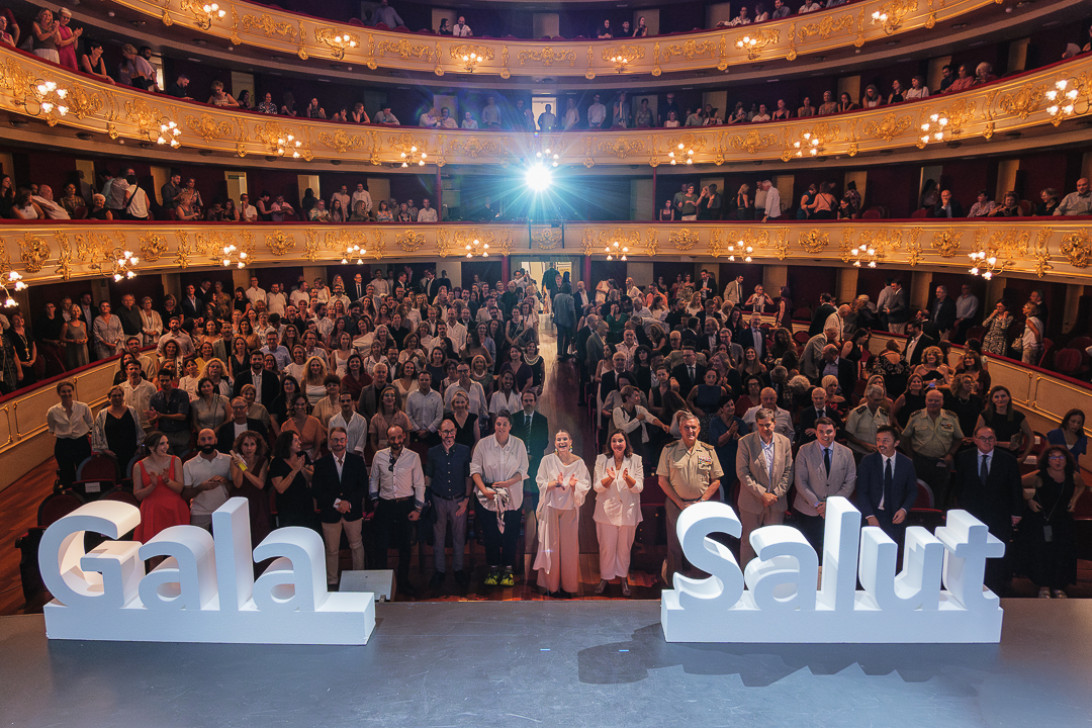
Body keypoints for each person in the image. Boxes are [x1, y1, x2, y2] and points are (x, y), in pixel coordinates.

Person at [952, 426, 1022, 595]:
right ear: (975, 440)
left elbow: (1016, 488)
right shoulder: (963, 457)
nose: (987, 442)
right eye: (983, 438)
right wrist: (955, 511)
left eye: (990, 438)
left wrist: (1017, 512)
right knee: (971, 552)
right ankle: (968, 587)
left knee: (995, 554)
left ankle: (993, 589)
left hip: (999, 514)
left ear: (995, 440)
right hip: (971, 514)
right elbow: (957, 487)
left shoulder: (1008, 460)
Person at [658, 414, 723, 581]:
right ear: (680, 429)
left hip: (700, 505)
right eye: (686, 427)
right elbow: (662, 481)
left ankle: (698, 580)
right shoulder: (669, 450)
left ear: (699, 429)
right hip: (675, 504)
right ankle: (674, 583)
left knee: (699, 543)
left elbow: (716, 481)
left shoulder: (708, 451)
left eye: (693, 427)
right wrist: (679, 503)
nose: (690, 430)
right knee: (674, 546)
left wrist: (701, 501)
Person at [471, 411, 529, 588]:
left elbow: (523, 470)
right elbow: (474, 470)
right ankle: (494, 568)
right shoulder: (483, 444)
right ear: (494, 425)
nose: (501, 427)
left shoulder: (518, 444)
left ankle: (508, 570)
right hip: (488, 496)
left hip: (512, 495)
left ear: (510, 426)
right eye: (498, 424)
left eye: (504, 424)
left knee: (510, 535)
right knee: (491, 535)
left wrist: (507, 483)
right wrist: (484, 490)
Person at [1022, 446, 1086, 598]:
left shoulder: (1073, 475)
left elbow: (1082, 486)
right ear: (1047, 460)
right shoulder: (1039, 475)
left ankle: (1059, 586)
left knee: (1062, 552)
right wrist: (1029, 501)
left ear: (1066, 460)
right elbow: (1017, 483)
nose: (1057, 461)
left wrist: (1074, 500)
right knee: (1043, 553)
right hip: (1043, 519)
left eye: (1061, 457)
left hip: (1063, 520)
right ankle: (1044, 586)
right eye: (1053, 457)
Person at [534, 430, 590, 597]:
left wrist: (573, 486)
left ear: (570, 441)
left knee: (569, 549)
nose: (562, 441)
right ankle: (551, 586)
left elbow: (585, 485)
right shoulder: (547, 460)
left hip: (570, 510)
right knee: (550, 547)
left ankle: (568, 587)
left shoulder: (579, 462)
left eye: (565, 438)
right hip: (551, 507)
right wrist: (555, 483)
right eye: (559, 439)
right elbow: (540, 482)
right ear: (555, 443)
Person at [370, 425, 425, 597]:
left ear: (404, 437)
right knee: (381, 546)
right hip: (385, 505)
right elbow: (373, 479)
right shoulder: (379, 456)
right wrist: (374, 500)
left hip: (405, 506)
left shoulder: (413, 457)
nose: (396, 441)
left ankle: (403, 582)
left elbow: (420, 483)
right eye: (392, 438)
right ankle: (382, 585)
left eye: (399, 437)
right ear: (388, 439)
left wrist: (418, 508)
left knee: (405, 547)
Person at [735, 408, 792, 566]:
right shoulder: (745, 442)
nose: (765, 429)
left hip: (776, 502)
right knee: (748, 542)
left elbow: (788, 471)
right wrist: (762, 494)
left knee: (773, 543)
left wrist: (774, 494)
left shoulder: (785, 442)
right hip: (751, 503)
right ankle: (746, 581)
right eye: (761, 425)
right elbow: (742, 473)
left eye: (768, 424)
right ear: (756, 425)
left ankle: (771, 578)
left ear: (774, 423)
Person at [312, 427, 367, 590]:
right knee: (332, 550)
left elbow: (363, 486)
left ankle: (359, 578)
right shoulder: (321, 464)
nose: (339, 443)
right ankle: (332, 582)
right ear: (330, 441)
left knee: (356, 546)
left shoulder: (357, 461)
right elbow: (317, 490)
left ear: (347, 441)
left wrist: (348, 503)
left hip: (353, 511)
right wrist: (337, 503)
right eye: (335, 440)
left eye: (342, 439)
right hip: (330, 513)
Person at [792, 418, 856, 552]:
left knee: (833, 550)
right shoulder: (804, 450)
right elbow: (800, 481)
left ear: (835, 432)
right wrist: (817, 505)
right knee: (808, 550)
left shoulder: (847, 453)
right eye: (821, 431)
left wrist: (830, 505)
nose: (825, 435)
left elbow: (850, 481)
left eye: (829, 431)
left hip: (835, 511)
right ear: (816, 432)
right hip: (808, 510)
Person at [592, 431, 643, 597]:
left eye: (620, 440)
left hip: (628, 511)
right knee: (607, 548)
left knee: (624, 549)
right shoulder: (602, 460)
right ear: (610, 444)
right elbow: (597, 487)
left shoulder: (636, 460)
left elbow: (639, 487)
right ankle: (605, 578)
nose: (617, 444)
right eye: (614, 441)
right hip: (606, 512)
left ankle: (623, 578)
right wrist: (610, 478)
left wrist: (628, 478)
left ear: (626, 442)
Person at [425, 418, 473, 590]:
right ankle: (439, 571)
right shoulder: (432, 452)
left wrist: (466, 500)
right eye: (445, 432)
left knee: (459, 537)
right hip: (438, 500)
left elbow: (468, 476)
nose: (449, 435)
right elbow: (428, 477)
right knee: (438, 538)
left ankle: (458, 570)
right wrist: (428, 499)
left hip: (459, 501)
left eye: (451, 431)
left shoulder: (464, 451)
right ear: (439, 433)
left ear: (455, 432)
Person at [900, 388, 963, 508]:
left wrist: (951, 454)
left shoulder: (951, 418)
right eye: (931, 400)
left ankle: (935, 518)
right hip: (920, 461)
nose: (933, 403)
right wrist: (910, 456)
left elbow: (959, 438)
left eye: (937, 400)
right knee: (916, 491)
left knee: (940, 493)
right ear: (926, 401)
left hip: (941, 462)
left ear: (942, 402)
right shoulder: (916, 416)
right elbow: (905, 437)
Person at [856, 426, 917, 546]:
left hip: (895, 515)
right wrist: (870, 516)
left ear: (896, 443)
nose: (880, 444)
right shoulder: (867, 461)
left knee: (891, 552)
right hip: (873, 513)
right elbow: (861, 492)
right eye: (878, 440)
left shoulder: (907, 463)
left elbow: (912, 491)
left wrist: (904, 509)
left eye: (885, 440)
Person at [132, 431, 190, 543]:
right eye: (162, 444)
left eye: (167, 443)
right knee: (155, 550)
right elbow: (138, 495)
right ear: (151, 447)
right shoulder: (138, 466)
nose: (166, 447)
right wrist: (152, 486)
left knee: (177, 548)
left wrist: (167, 480)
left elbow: (179, 488)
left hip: (174, 509)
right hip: (151, 511)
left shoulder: (175, 460)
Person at [183, 428, 231, 531]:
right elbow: (185, 494)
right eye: (203, 439)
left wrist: (225, 481)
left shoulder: (228, 460)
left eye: (210, 438)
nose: (207, 442)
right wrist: (201, 487)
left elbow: (236, 487)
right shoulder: (188, 464)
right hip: (199, 513)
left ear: (215, 440)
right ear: (198, 442)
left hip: (224, 511)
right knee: (199, 545)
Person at [47, 381, 94, 487]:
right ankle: (71, 495)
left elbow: (91, 424)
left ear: (72, 392)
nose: (67, 394)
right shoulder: (52, 411)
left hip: (81, 443)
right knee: (66, 472)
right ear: (59, 393)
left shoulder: (83, 407)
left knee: (84, 469)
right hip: (63, 445)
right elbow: (52, 429)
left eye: (69, 391)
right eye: (63, 392)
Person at [91, 386, 144, 476]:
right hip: (112, 454)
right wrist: (105, 450)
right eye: (114, 396)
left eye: (119, 395)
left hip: (131, 451)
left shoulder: (131, 410)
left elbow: (139, 429)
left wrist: (140, 446)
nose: (117, 398)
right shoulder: (102, 414)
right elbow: (97, 433)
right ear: (109, 398)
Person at [269, 431, 316, 529]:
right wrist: (295, 470)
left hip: (305, 502)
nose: (300, 442)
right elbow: (281, 489)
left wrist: (302, 468)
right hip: (287, 506)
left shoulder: (302, 455)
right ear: (287, 443)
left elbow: (312, 477)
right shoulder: (276, 462)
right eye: (296, 440)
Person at [149, 369, 191, 457]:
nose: (164, 383)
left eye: (167, 380)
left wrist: (161, 416)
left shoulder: (182, 394)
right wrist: (153, 419)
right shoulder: (155, 398)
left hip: (181, 434)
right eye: (162, 381)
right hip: (164, 434)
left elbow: (182, 416)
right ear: (159, 382)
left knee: (183, 458)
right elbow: (151, 421)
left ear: (172, 380)